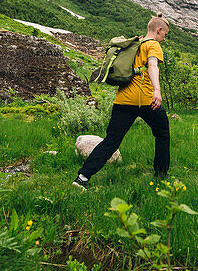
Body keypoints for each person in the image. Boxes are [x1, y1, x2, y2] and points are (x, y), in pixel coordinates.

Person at [73, 16, 170, 189]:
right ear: (158, 30)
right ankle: (161, 175)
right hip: (146, 101)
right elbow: (153, 66)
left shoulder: (133, 44)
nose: (165, 38)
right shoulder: (153, 45)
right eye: (165, 34)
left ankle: (82, 177)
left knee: (111, 141)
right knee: (162, 134)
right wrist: (157, 90)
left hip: (123, 100)